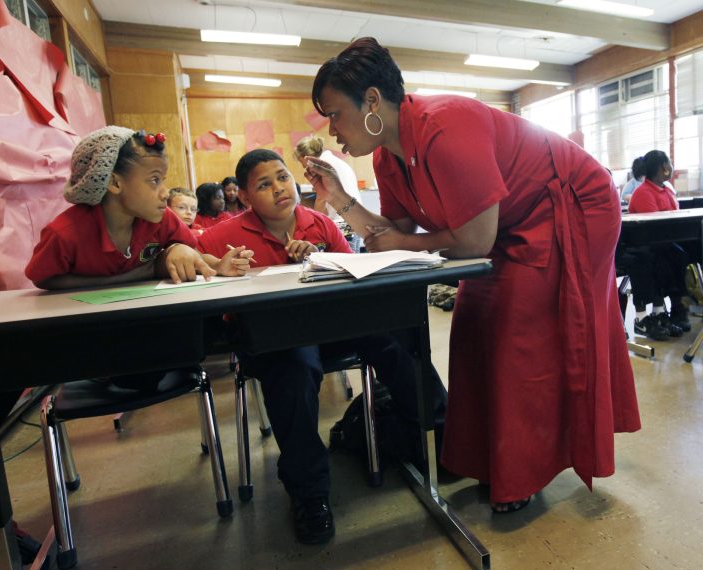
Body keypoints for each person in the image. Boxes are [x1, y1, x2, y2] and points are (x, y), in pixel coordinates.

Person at [305, 37, 641, 513]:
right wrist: (339, 198)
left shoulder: (444, 126)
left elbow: (473, 242)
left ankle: (524, 472)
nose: (332, 130)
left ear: (373, 101)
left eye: (335, 113)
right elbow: (390, 234)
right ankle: (493, 458)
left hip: (572, 205)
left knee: (519, 332)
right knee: (471, 328)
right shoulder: (387, 157)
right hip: (507, 223)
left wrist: (404, 241)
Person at [198, 148, 428, 543]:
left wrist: (319, 259)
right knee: (295, 366)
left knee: (396, 335)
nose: (278, 189)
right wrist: (218, 269)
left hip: (333, 325)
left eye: (283, 177)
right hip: (276, 341)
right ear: (246, 198)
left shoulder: (318, 224)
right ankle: (309, 493)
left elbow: (355, 279)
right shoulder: (223, 235)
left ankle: (432, 434)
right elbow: (191, 270)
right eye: (263, 185)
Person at [25, 126, 251, 290]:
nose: (165, 192)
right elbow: (43, 279)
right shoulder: (65, 233)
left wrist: (218, 265)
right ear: (114, 183)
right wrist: (130, 277)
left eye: (163, 180)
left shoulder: (162, 219)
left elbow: (195, 255)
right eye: (154, 181)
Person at [625, 150, 690, 340]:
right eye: (669, 163)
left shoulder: (666, 190)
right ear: (663, 168)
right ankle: (644, 318)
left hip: (661, 244)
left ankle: (668, 310)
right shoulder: (643, 192)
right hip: (642, 246)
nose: (671, 167)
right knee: (663, 258)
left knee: (681, 253)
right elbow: (655, 228)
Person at [294, 136, 361, 222]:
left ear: (306, 157)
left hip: (342, 220)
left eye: (301, 161)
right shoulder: (338, 162)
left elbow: (321, 203)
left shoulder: (321, 167)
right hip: (357, 216)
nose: (303, 166)